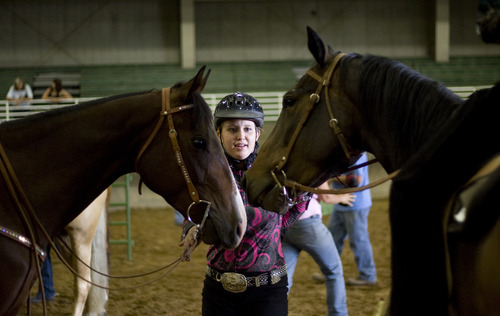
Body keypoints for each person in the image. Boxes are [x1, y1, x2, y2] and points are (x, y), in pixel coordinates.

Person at [179, 92, 309, 316]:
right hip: (218, 290)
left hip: (268, 291)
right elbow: (192, 211)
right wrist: (190, 228)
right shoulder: (206, 175)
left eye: (247, 129)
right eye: (232, 129)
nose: (241, 136)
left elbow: (301, 201)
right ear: (219, 134)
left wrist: (279, 227)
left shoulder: (277, 173)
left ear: (257, 133)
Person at [282, 181, 355, 316]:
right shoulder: (311, 164)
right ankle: (339, 313)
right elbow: (326, 197)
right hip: (308, 224)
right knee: (334, 271)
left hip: (286, 224)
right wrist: (343, 197)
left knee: (283, 279)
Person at [327, 152, 377, 286]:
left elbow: (356, 180)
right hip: (341, 203)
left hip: (355, 203)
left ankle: (368, 275)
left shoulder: (356, 154)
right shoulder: (344, 152)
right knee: (332, 238)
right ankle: (329, 271)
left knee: (358, 240)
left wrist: (331, 179)